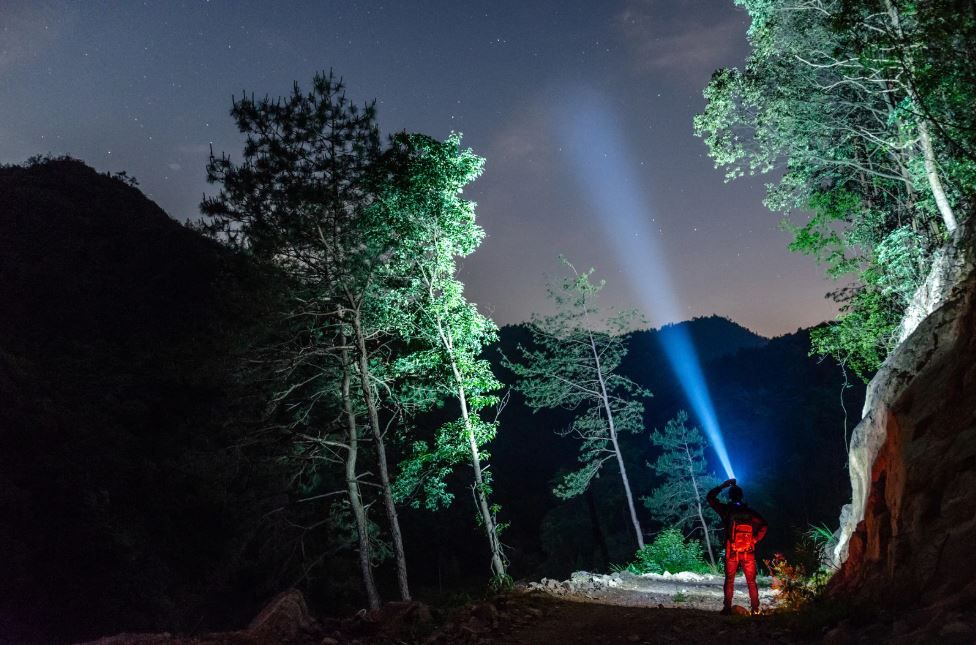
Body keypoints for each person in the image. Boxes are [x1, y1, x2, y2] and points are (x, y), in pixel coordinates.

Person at [707, 478, 767, 615]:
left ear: (730, 496)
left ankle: (727, 608)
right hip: (748, 552)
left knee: (729, 580)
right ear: (742, 496)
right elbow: (764, 525)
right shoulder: (750, 513)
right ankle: (755, 609)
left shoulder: (726, 511)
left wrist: (723, 485)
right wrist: (754, 540)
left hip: (732, 551)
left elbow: (710, 497)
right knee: (751, 581)